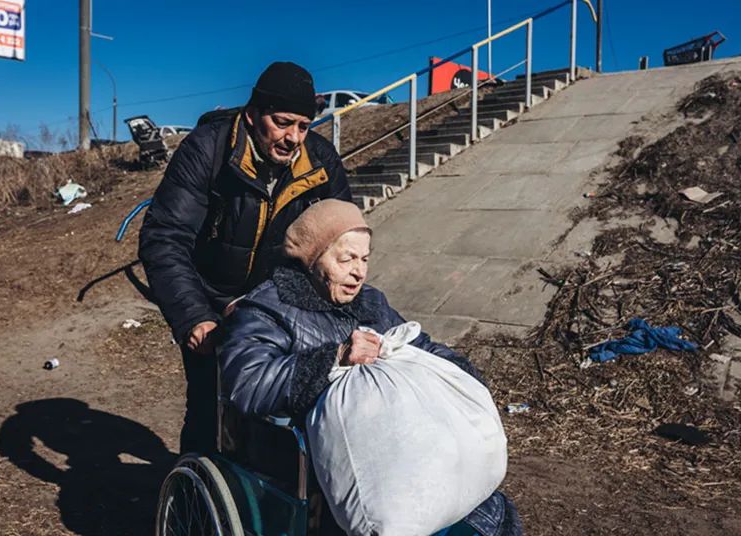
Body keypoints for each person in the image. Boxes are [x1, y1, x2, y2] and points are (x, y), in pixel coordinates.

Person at [219, 200, 522, 535]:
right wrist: (334, 358)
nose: (359, 272)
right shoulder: (267, 308)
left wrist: (462, 377)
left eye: (364, 259)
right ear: (312, 257)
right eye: (346, 258)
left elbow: (418, 347)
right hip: (304, 457)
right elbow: (246, 383)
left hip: (393, 441)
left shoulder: (371, 303)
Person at [138, 61, 352, 454]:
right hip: (212, 301)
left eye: (303, 126)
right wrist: (193, 316)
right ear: (253, 115)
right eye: (283, 122)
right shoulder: (208, 149)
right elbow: (165, 237)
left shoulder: (320, 161)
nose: (293, 138)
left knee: (288, 408)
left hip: (281, 306)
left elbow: (344, 236)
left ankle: (264, 502)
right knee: (209, 409)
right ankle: (193, 503)